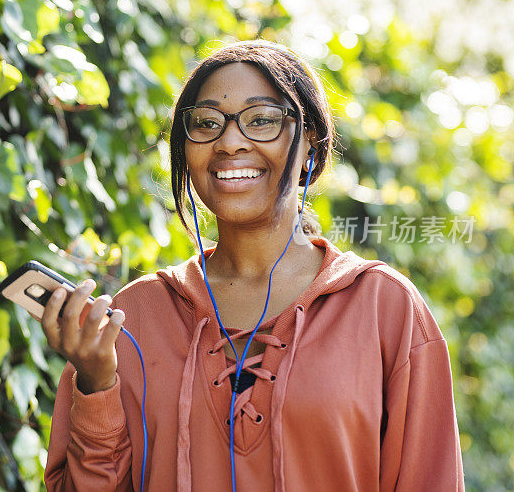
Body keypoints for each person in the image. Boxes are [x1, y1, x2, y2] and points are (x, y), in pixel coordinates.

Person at [41, 40, 465, 491]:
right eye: (206, 124)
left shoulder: (384, 307)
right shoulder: (135, 316)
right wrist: (96, 385)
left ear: (311, 149)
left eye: (261, 120)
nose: (229, 142)